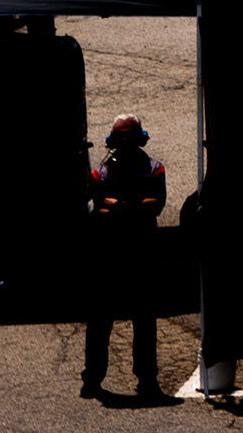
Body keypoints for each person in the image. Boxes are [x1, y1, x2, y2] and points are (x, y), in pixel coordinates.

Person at [81, 114, 169, 399]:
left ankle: (147, 379)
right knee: (100, 320)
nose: (126, 141)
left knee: (144, 320)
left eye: (130, 135)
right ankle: (92, 378)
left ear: (140, 138)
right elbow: (97, 203)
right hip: (108, 258)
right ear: (113, 140)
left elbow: (156, 203)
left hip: (142, 256)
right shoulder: (101, 172)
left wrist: (119, 207)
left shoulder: (154, 168)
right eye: (121, 137)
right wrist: (127, 206)